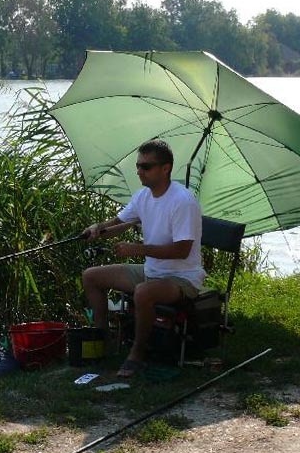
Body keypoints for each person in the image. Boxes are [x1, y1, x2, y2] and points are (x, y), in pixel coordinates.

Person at [81, 138, 206, 378]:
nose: (139, 171)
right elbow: (120, 223)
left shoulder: (183, 201)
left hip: (182, 278)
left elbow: (182, 250)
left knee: (143, 292)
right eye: (138, 166)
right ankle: (102, 342)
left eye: (146, 167)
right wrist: (99, 228)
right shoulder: (143, 196)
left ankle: (136, 355)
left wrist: (137, 249)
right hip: (152, 271)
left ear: (166, 168)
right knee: (91, 277)